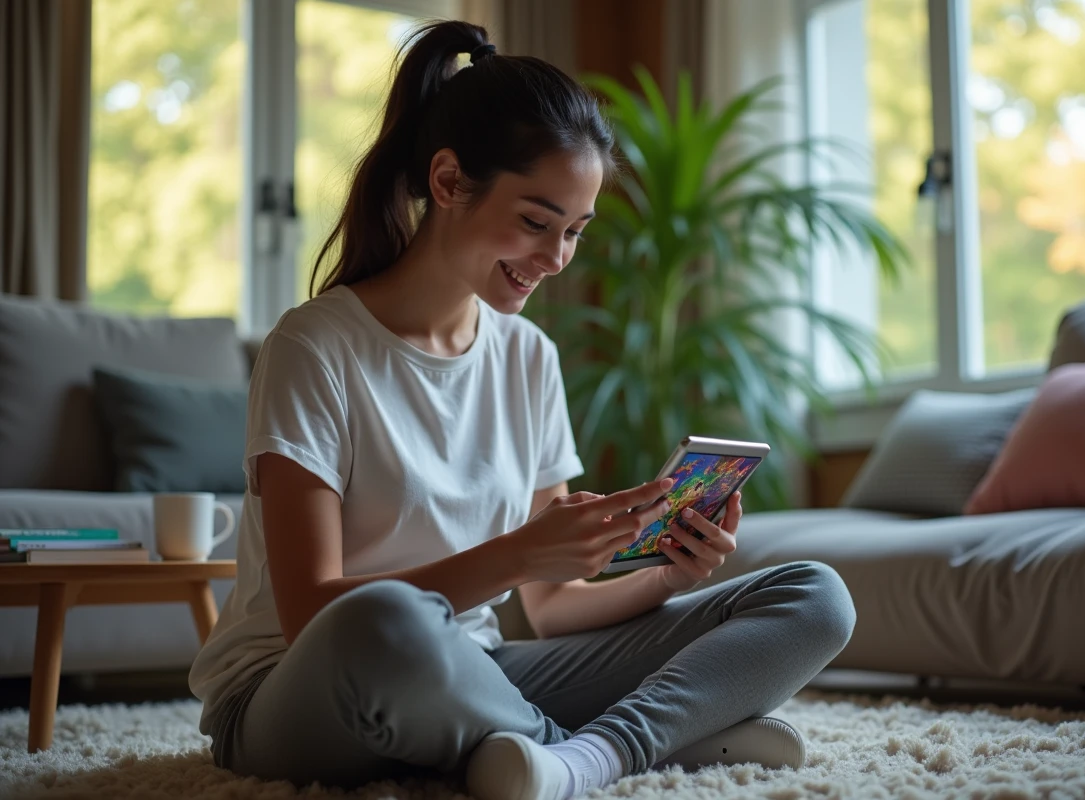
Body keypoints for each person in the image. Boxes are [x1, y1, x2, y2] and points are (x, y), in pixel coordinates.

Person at [187, 19, 856, 800]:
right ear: (446, 183)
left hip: (474, 677)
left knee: (813, 595)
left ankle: (583, 757)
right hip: (303, 687)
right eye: (537, 222)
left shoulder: (527, 355)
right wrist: (520, 553)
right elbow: (311, 616)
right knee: (386, 624)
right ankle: (643, 743)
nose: (557, 259)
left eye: (574, 231)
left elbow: (547, 608)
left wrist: (666, 576)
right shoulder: (313, 346)